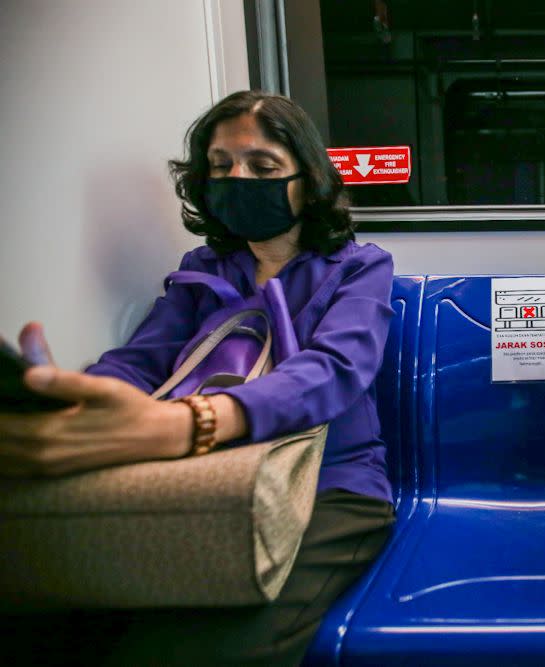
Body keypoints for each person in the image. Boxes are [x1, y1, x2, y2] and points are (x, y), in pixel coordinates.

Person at [0, 91, 395, 666]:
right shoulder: (202, 271)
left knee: (204, 647)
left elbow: (335, 370)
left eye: (262, 167)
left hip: (330, 487)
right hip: (208, 475)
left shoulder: (359, 268)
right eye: (220, 166)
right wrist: (75, 401)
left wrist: (192, 423)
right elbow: (142, 360)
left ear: (307, 182)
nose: (238, 178)